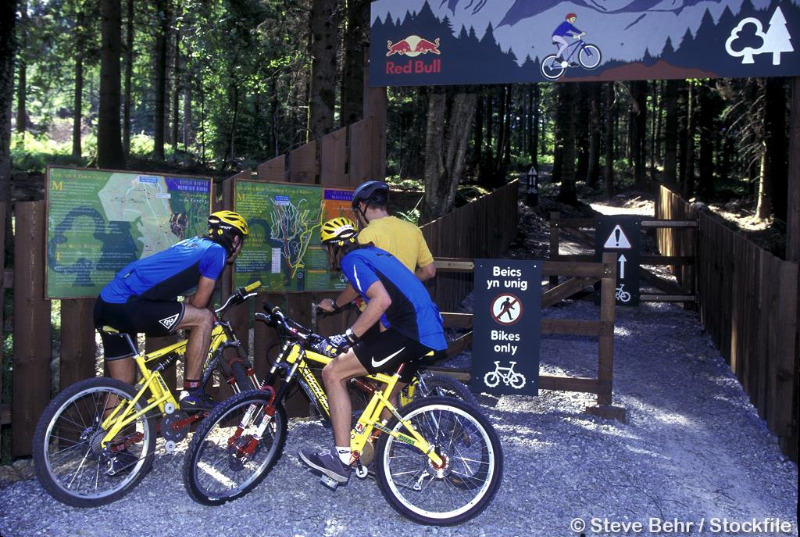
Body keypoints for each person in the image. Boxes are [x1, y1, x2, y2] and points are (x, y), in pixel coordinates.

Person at [299, 217, 447, 484]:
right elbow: (358, 287)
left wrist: (347, 336)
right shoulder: (374, 254)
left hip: (409, 332)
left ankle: (341, 459)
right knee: (386, 393)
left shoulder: (351, 260)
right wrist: (335, 304)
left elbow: (381, 300)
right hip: (430, 333)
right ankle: (382, 456)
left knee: (334, 372)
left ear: (333, 248)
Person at [93, 210, 249, 412]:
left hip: (106, 304)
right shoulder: (216, 251)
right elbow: (199, 304)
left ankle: (108, 441)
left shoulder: (193, 243)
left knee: (122, 383)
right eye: (241, 242)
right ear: (235, 239)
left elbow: (185, 292)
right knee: (203, 318)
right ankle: (192, 393)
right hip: (128, 304)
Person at [317, 180, 436, 314]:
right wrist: (404, 282)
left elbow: (357, 284)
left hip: (376, 311)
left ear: (362, 206)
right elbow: (429, 271)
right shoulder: (413, 229)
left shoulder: (366, 235)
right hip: (406, 308)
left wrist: (335, 305)